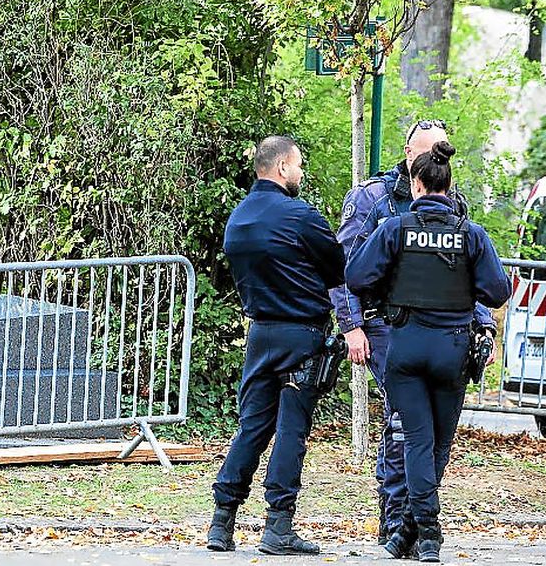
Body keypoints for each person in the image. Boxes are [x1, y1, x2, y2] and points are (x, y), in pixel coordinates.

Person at [328, 119, 497, 543]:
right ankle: (400, 522)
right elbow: (345, 268)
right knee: (406, 429)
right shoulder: (374, 198)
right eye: (424, 152)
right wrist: (351, 325)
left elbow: (470, 281)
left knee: (428, 436)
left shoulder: (455, 209)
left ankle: (409, 525)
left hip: (438, 335)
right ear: (408, 154)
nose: (430, 159)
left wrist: (483, 327)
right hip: (388, 327)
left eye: (439, 151)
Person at [207, 136, 345, 556]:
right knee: (291, 428)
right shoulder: (300, 216)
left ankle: (221, 521)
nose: (301, 173)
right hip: (301, 333)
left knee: (252, 426)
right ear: (282, 167)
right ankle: (278, 525)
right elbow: (337, 267)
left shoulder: (238, 219)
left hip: (260, 333)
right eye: (298, 165)